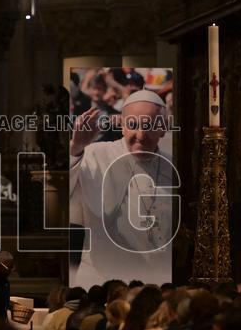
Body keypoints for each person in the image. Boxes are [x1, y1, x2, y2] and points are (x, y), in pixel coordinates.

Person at [69, 90, 175, 288]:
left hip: (154, 282)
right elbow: (62, 192)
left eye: (149, 126)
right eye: (133, 126)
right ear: (122, 127)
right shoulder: (95, 155)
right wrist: (76, 147)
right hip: (99, 282)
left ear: (162, 129)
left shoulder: (173, 166)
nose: (140, 135)